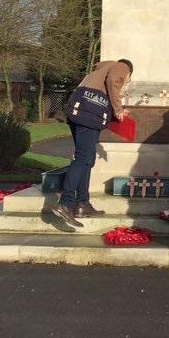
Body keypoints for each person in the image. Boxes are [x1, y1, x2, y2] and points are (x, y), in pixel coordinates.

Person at [52, 58, 134, 229]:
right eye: (128, 79)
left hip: (80, 112)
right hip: (88, 116)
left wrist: (115, 112)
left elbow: (100, 98)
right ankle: (65, 203)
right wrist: (118, 109)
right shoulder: (121, 66)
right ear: (129, 74)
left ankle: (83, 204)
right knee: (82, 158)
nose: (127, 81)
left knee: (87, 160)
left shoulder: (98, 72)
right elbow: (114, 81)